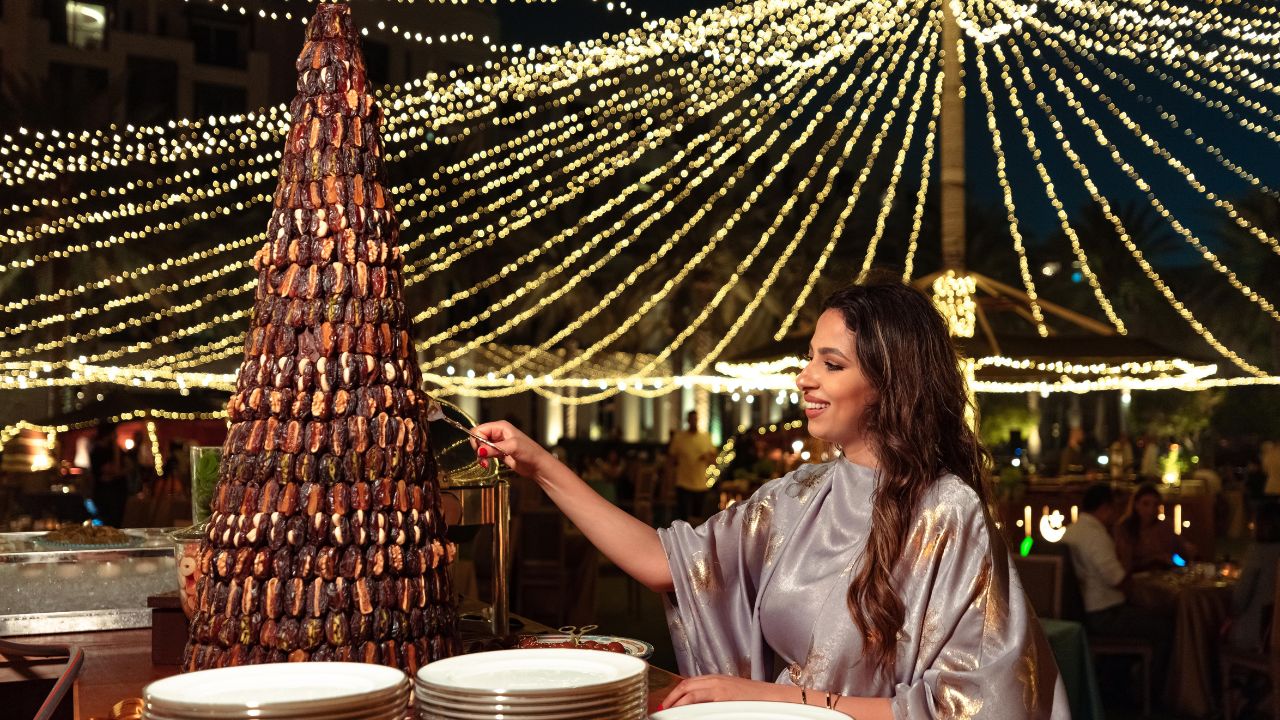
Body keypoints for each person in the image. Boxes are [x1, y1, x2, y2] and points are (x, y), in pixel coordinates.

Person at [470, 280, 1067, 718]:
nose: (804, 377)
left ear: (891, 385)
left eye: (830, 364)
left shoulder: (947, 512)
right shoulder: (798, 496)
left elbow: (976, 706)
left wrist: (774, 696)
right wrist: (539, 465)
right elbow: (666, 563)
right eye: (810, 358)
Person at [1061, 483, 1169, 676]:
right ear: (1105, 508)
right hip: (1105, 615)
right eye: (1113, 509)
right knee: (1164, 625)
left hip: (1085, 612)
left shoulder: (1071, 531)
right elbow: (1117, 579)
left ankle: (1120, 680)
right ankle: (1149, 690)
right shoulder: (1095, 536)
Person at [1226, 501, 1280, 653]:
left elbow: (1239, 601)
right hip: (1270, 633)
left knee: (1209, 629)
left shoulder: (1258, 553)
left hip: (1258, 635)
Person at [1113, 483, 1196, 572]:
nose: (1151, 509)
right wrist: (1155, 559)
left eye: (1155, 504)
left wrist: (1187, 550)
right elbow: (1125, 565)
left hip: (1165, 578)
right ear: (1136, 505)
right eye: (1145, 504)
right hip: (1136, 580)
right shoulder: (1124, 528)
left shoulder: (1165, 526)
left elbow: (1181, 554)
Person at [668, 410, 717, 522]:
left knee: (697, 517)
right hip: (683, 483)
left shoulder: (705, 437)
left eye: (695, 419)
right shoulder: (679, 438)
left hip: (700, 484)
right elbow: (671, 459)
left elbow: (714, 459)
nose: (694, 422)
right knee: (683, 517)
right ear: (688, 421)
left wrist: (707, 458)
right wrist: (669, 480)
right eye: (692, 419)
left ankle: (695, 538)